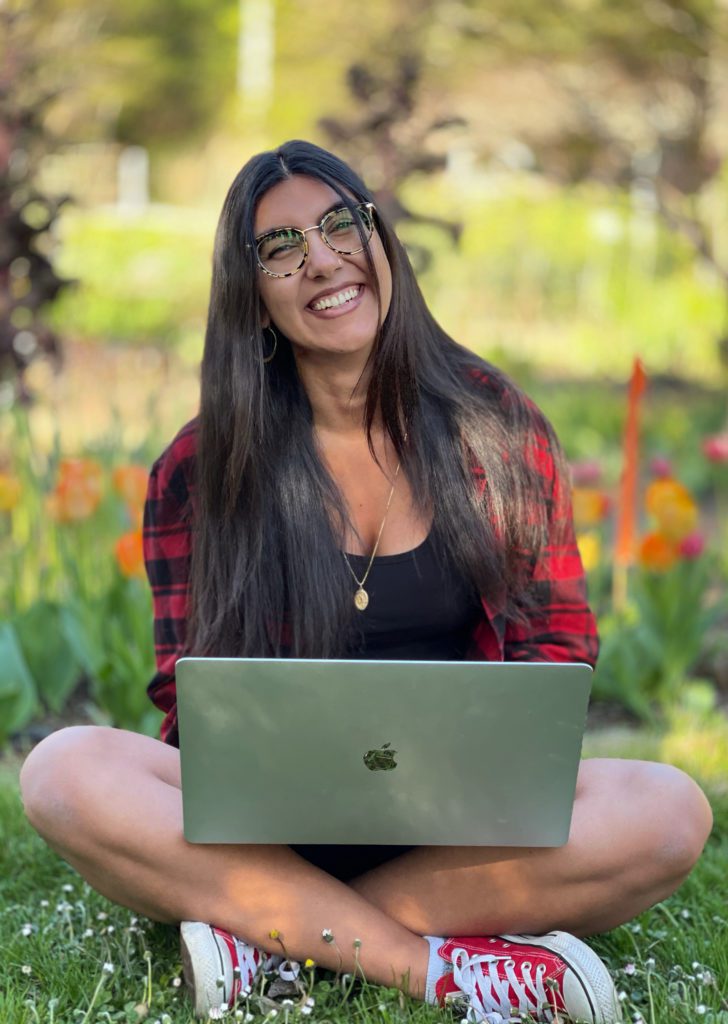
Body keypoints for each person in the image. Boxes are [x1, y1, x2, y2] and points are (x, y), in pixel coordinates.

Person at [20, 140, 713, 1024]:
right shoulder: (201, 469)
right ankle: (443, 971)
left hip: (462, 833)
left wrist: (480, 764)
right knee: (64, 770)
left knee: (667, 810)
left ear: (380, 239)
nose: (321, 259)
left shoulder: (497, 426)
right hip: (272, 834)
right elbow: (191, 701)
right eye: (280, 248)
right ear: (253, 297)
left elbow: (558, 649)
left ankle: (269, 937)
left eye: (339, 224)